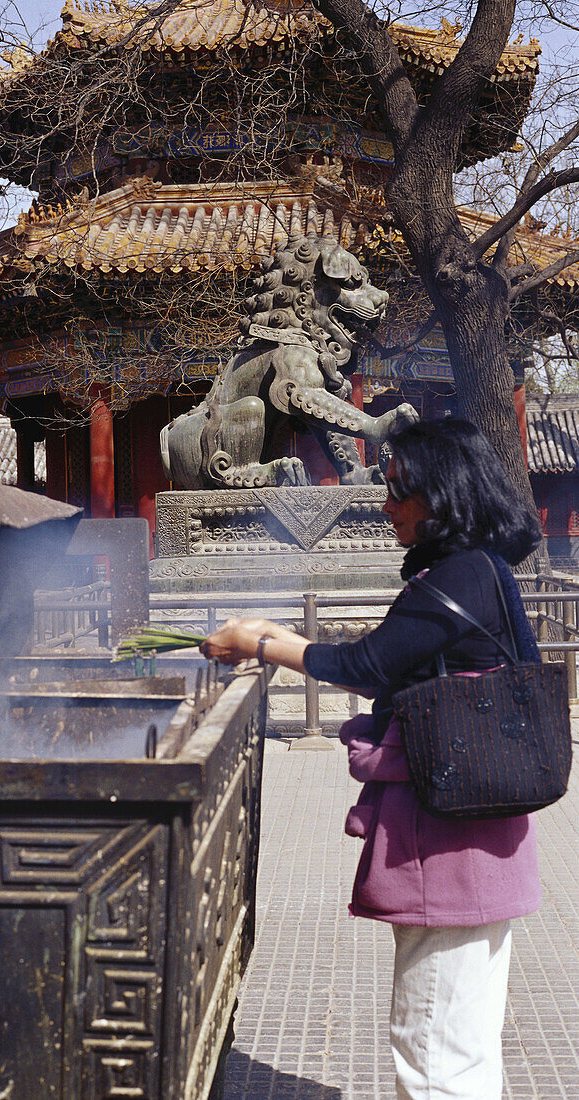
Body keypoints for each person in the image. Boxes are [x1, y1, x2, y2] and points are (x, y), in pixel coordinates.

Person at [201, 418, 544, 1100]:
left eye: (396, 491)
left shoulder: (461, 574)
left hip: (453, 847)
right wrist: (276, 634)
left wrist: (261, 642)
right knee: (458, 1037)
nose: (384, 506)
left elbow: (368, 662)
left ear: (440, 497)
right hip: (474, 834)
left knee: (435, 1045)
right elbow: (392, 661)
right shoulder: (484, 566)